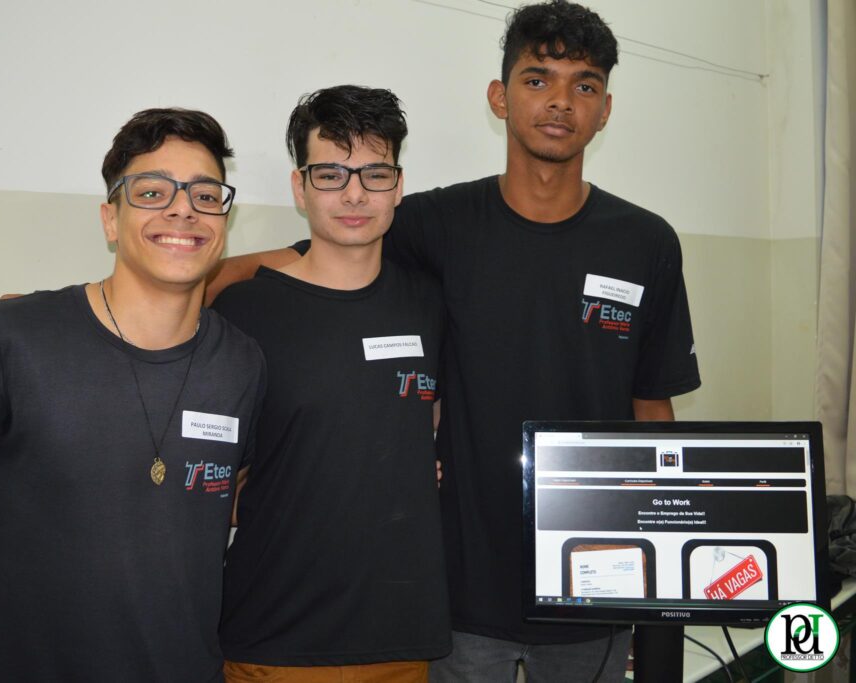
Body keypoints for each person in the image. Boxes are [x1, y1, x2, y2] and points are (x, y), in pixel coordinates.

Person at [205, 2, 701, 680]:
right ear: (499, 97)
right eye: (537, 79)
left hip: (593, 582)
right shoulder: (436, 224)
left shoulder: (646, 242)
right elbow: (320, 255)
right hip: (460, 598)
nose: (560, 101)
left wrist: (659, 574)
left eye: (583, 84)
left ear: (606, 108)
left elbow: (653, 410)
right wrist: (162, 289)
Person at [0, 108, 265, 682]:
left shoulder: (243, 364)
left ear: (223, 219)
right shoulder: (11, 337)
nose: (183, 208)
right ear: (110, 219)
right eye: (152, 191)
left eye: (206, 195)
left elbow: (225, 503)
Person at [213, 85, 450, 682]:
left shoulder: (430, 303)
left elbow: (433, 421)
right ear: (300, 188)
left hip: (400, 640)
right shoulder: (243, 312)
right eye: (330, 175)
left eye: (375, 174)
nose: (354, 194)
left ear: (398, 186)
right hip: (273, 640)